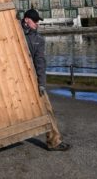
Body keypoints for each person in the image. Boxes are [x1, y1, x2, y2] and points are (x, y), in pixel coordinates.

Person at [22, 9, 71, 151]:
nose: (37, 24)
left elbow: (41, 63)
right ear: (26, 20)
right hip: (14, 79)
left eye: (38, 21)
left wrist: (42, 84)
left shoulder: (38, 39)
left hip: (32, 80)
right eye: (35, 20)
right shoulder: (15, 32)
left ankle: (54, 141)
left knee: (47, 108)